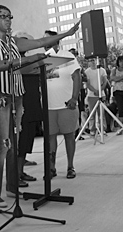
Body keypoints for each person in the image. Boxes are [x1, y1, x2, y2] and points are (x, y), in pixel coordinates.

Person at [0, 5, 80, 207]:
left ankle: (11, 187)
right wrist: (29, 59)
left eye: (10, 16)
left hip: (16, 96)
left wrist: (67, 33)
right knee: (2, 144)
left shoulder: (13, 42)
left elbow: (41, 42)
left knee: (13, 144)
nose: (8, 20)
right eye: (3, 17)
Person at [44, 31, 81, 180]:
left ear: (56, 40)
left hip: (66, 105)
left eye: (47, 38)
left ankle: (70, 166)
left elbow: (76, 76)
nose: (44, 41)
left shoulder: (68, 56)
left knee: (69, 136)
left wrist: (74, 98)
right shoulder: (42, 58)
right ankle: (51, 168)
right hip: (49, 106)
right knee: (50, 137)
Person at [13, 30, 43, 181]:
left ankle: (20, 171)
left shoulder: (32, 60)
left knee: (27, 138)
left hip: (32, 102)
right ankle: (15, 174)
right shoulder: (12, 60)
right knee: (19, 139)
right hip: (19, 105)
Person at [85, 58, 108, 136]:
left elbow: (105, 81)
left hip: (101, 94)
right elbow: (87, 84)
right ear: (88, 62)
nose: (93, 62)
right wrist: (95, 91)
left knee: (101, 113)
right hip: (91, 95)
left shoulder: (102, 70)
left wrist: (100, 90)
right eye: (91, 60)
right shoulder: (87, 72)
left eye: (94, 60)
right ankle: (92, 129)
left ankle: (103, 128)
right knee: (92, 113)